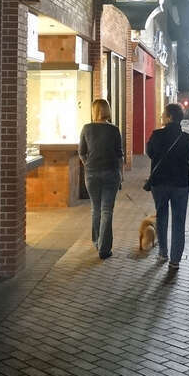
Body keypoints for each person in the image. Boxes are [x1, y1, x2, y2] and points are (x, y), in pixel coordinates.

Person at [146, 103, 189, 270]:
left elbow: (150, 153)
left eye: (163, 114)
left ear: (170, 117)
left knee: (162, 217)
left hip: (160, 182)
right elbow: (186, 157)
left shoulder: (157, 135)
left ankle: (163, 252)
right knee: (179, 221)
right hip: (180, 183)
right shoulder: (187, 138)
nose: (161, 116)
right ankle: (175, 260)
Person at [79, 98, 123, 260]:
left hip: (92, 174)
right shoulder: (114, 130)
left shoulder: (87, 128)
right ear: (107, 111)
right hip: (111, 173)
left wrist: (88, 165)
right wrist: (121, 175)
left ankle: (97, 242)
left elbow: (81, 152)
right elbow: (119, 155)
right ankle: (104, 249)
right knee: (107, 210)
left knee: (96, 209)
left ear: (94, 111)